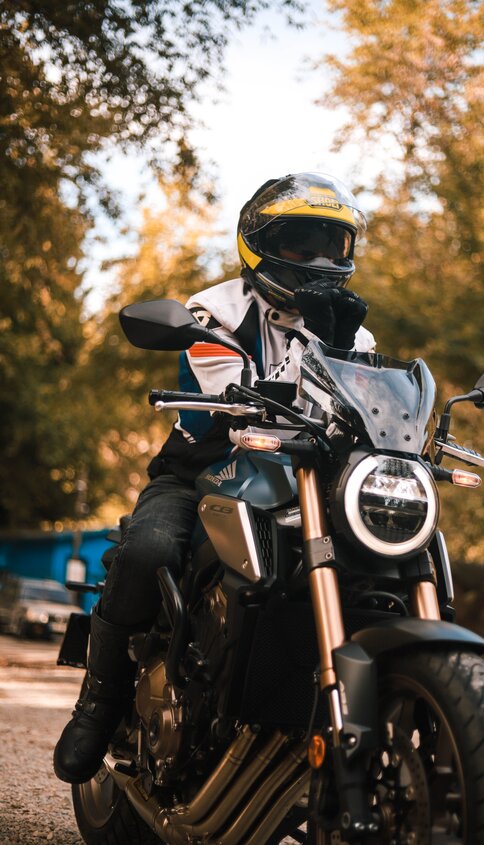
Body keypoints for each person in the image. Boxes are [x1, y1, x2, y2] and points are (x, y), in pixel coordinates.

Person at [53, 172, 376, 784]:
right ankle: (100, 702)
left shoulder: (353, 330)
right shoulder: (212, 312)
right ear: (259, 245)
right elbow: (217, 405)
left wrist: (342, 351)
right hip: (205, 470)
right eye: (297, 244)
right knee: (148, 549)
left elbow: (370, 412)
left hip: (304, 481)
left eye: (328, 246)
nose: (315, 260)